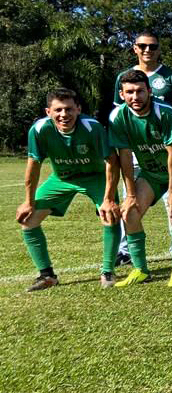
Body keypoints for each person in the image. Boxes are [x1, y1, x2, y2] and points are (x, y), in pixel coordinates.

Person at [17, 89, 121, 291]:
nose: (64, 115)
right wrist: (28, 201)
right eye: (58, 110)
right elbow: (33, 165)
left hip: (95, 177)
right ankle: (47, 276)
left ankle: (108, 271)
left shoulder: (92, 127)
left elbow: (112, 161)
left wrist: (109, 198)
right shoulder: (39, 130)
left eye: (69, 109)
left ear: (78, 109)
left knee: (109, 214)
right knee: (28, 220)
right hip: (61, 178)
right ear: (48, 111)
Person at [108, 70, 172, 287]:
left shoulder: (165, 112)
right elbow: (125, 157)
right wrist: (130, 194)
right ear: (121, 94)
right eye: (129, 92)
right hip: (149, 173)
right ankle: (140, 270)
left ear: (149, 91)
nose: (135, 97)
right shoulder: (117, 117)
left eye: (140, 91)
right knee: (129, 211)